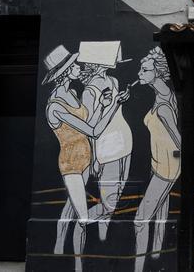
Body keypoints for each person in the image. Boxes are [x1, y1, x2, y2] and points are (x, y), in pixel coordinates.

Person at [43, 45, 128, 270]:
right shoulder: (55, 107)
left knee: (70, 206)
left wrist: (103, 104)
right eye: (73, 66)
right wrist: (115, 105)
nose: (78, 68)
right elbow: (92, 130)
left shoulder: (71, 94)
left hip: (87, 158)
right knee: (82, 218)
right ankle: (79, 266)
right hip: (71, 165)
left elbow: (89, 121)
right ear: (64, 73)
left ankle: (60, 245)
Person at [134, 47, 180, 272]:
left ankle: (138, 267)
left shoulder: (163, 107)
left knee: (140, 220)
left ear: (158, 72)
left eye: (145, 70)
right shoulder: (164, 95)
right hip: (159, 163)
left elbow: (179, 140)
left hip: (166, 168)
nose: (140, 73)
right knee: (160, 216)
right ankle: (155, 258)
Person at [79, 54, 134, 241]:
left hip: (125, 140)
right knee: (109, 203)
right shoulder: (89, 91)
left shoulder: (113, 80)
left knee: (115, 199)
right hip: (107, 147)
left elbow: (116, 113)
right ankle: (81, 221)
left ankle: (104, 239)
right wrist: (93, 157)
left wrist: (121, 100)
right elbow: (90, 129)